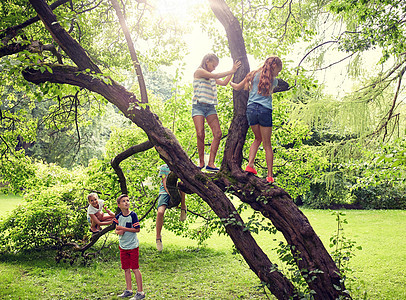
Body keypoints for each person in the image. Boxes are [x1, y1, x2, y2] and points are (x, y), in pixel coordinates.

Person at [230, 56, 283, 183]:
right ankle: (270, 176)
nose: (278, 73)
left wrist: (230, 82)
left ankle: (250, 164)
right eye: (278, 70)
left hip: (251, 110)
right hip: (265, 111)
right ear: (274, 65)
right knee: (267, 145)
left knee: (257, 138)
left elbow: (237, 87)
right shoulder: (274, 81)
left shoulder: (252, 74)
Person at [192, 53, 241, 172]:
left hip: (210, 108)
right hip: (198, 106)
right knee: (200, 133)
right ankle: (201, 162)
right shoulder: (199, 72)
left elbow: (224, 83)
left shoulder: (212, 78)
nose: (214, 68)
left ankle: (211, 163)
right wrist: (231, 70)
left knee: (218, 134)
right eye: (213, 65)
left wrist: (233, 72)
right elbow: (216, 75)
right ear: (207, 61)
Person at [114, 194, 145, 300]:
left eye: (127, 200)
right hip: (123, 246)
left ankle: (140, 293)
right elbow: (116, 229)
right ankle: (129, 290)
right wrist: (119, 231)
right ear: (119, 205)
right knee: (126, 269)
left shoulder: (133, 215)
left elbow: (137, 229)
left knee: (135, 268)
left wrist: (124, 229)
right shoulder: (118, 217)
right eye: (123, 201)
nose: (126, 202)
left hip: (132, 246)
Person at [156, 164, 186, 252]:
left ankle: (183, 208)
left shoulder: (179, 164)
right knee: (160, 212)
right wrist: (171, 194)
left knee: (182, 186)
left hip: (176, 189)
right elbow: (164, 183)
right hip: (164, 192)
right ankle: (158, 237)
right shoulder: (163, 167)